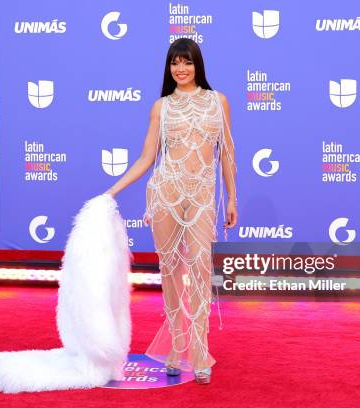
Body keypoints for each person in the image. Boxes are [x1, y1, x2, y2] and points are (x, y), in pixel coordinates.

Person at [105, 38, 237, 385]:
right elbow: (148, 158)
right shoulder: (161, 107)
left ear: (198, 66)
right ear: (169, 68)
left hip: (201, 198)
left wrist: (233, 198)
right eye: (175, 63)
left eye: (187, 62)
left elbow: (226, 154)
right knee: (171, 272)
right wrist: (112, 191)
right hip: (165, 194)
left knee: (199, 268)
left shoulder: (217, 101)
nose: (181, 69)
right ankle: (177, 348)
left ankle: (200, 349)